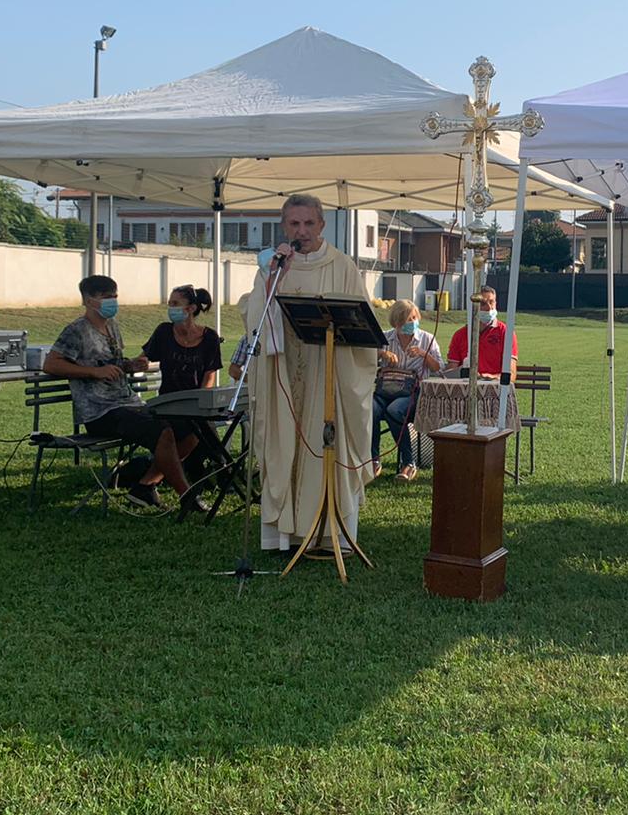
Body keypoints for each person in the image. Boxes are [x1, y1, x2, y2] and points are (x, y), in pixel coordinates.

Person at [230, 194, 378, 553]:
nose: (302, 231)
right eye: (294, 224)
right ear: (284, 227)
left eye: (309, 223)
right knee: (284, 446)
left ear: (322, 225)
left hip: (327, 377)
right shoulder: (273, 266)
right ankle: (287, 536)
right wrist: (271, 283)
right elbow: (254, 316)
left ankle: (331, 534)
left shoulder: (342, 266)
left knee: (326, 443)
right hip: (283, 374)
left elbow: (362, 324)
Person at [43, 275, 191, 508]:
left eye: (114, 297)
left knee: (189, 428)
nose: (112, 302)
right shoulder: (77, 331)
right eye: (106, 298)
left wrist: (130, 365)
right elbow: (51, 364)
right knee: (163, 431)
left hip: (128, 401)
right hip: (101, 411)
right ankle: (187, 495)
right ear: (89, 300)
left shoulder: (112, 326)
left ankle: (145, 485)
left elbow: (114, 363)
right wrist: (93, 372)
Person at [134, 285, 225, 487]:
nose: (170, 308)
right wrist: (139, 362)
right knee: (195, 430)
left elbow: (210, 375)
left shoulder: (209, 337)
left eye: (175, 303)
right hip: (168, 403)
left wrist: (201, 401)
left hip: (195, 402)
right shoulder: (164, 332)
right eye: (170, 303)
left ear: (191, 308)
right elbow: (144, 357)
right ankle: (154, 479)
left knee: (199, 426)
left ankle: (152, 480)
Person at [372, 298, 442, 481]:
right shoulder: (385, 338)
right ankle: (373, 459)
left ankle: (408, 462)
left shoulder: (427, 339)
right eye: (405, 320)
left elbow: (438, 368)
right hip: (385, 390)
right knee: (370, 410)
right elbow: (367, 357)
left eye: (413, 318)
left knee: (394, 410)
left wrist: (423, 354)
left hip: (413, 393)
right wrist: (382, 353)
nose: (410, 323)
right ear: (396, 322)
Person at [445, 285, 518, 380]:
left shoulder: (506, 333)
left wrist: (492, 378)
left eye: (491, 302)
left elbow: (511, 374)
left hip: (496, 389)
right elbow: (452, 370)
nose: (488, 307)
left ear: (496, 303)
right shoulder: (460, 335)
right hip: (465, 388)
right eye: (483, 303)